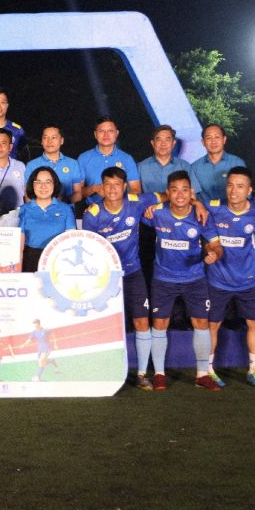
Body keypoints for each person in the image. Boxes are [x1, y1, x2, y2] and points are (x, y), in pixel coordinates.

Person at [142, 171, 224, 391]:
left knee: (201, 324)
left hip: (194, 279)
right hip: (163, 278)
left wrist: (214, 253)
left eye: (185, 190)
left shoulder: (202, 216)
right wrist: (150, 209)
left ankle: (202, 374)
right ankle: (159, 374)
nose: (180, 194)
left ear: (191, 193)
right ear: (168, 192)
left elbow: (215, 245)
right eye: (175, 190)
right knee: (159, 324)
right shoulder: (156, 213)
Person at [82, 167, 158, 389]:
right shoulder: (93, 214)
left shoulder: (136, 201)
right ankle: (102, 370)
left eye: (117, 184)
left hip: (133, 273)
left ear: (125, 186)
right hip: (106, 278)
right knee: (103, 324)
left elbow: (165, 196)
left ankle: (142, 373)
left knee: (142, 321)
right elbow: (90, 248)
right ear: (102, 187)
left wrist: (156, 206)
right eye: (108, 184)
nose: (113, 189)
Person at [205, 167, 255, 387]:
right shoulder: (213, 209)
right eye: (230, 185)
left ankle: (254, 370)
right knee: (212, 325)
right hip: (218, 280)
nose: (234, 190)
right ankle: (208, 370)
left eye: (240, 186)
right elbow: (196, 209)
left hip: (248, 280)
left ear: (249, 190)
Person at [19, 167, 76, 271]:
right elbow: (19, 247)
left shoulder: (66, 209)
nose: (43, 186)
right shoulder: (22, 210)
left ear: (54, 184)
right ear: (32, 185)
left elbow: (71, 241)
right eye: (38, 182)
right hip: (30, 260)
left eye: (48, 182)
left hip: (58, 260)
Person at [78, 116, 142, 204]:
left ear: (117, 133)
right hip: (93, 210)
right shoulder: (84, 158)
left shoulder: (127, 158)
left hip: (121, 210)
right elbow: (77, 194)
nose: (106, 135)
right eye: (101, 131)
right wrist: (94, 188)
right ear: (95, 134)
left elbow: (136, 189)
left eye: (110, 131)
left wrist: (119, 201)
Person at [23, 125, 84, 204]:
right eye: (46, 138)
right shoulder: (32, 165)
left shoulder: (73, 164)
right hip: (40, 213)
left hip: (66, 211)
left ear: (61, 140)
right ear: (41, 141)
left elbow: (78, 193)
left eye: (54, 137)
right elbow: (27, 194)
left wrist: (62, 205)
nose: (49, 141)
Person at [137, 125, 201, 196]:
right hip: (148, 207)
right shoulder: (141, 167)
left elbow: (193, 194)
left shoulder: (184, 166)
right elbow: (133, 196)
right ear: (153, 143)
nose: (163, 144)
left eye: (167, 140)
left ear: (173, 143)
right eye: (159, 140)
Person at [189, 123, 246, 203]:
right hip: (205, 212)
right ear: (203, 142)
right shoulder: (194, 168)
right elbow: (192, 196)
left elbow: (245, 194)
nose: (213, 141)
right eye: (209, 138)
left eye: (217, 137)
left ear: (224, 139)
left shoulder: (237, 163)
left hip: (231, 212)